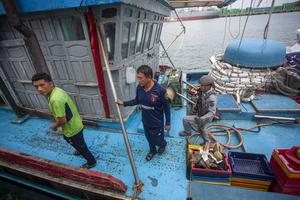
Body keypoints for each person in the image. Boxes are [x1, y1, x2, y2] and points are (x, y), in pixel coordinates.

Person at [31, 73, 96, 169]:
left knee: (77, 143)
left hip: (72, 129)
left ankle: (91, 162)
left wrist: (55, 126)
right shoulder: (57, 90)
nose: (39, 89)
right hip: (77, 122)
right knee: (79, 141)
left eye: (42, 85)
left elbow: (63, 120)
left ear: (50, 84)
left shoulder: (55, 99)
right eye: (36, 86)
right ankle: (79, 148)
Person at [116, 65, 171, 161]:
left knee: (158, 140)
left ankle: (163, 144)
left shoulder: (161, 91)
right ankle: (152, 150)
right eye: (138, 77)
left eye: (140, 78)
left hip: (157, 122)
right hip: (145, 120)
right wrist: (123, 103)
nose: (138, 80)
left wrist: (168, 123)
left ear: (149, 77)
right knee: (149, 138)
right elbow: (137, 101)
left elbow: (167, 108)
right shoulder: (139, 88)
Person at [179, 75, 217, 142]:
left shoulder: (211, 98)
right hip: (200, 113)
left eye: (201, 85)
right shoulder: (203, 91)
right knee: (185, 119)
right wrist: (195, 108)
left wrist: (201, 119)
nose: (200, 86)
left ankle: (207, 142)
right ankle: (188, 132)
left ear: (207, 86)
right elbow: (199, 99)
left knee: (202, 130)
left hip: (205, 118)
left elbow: (212, 113)